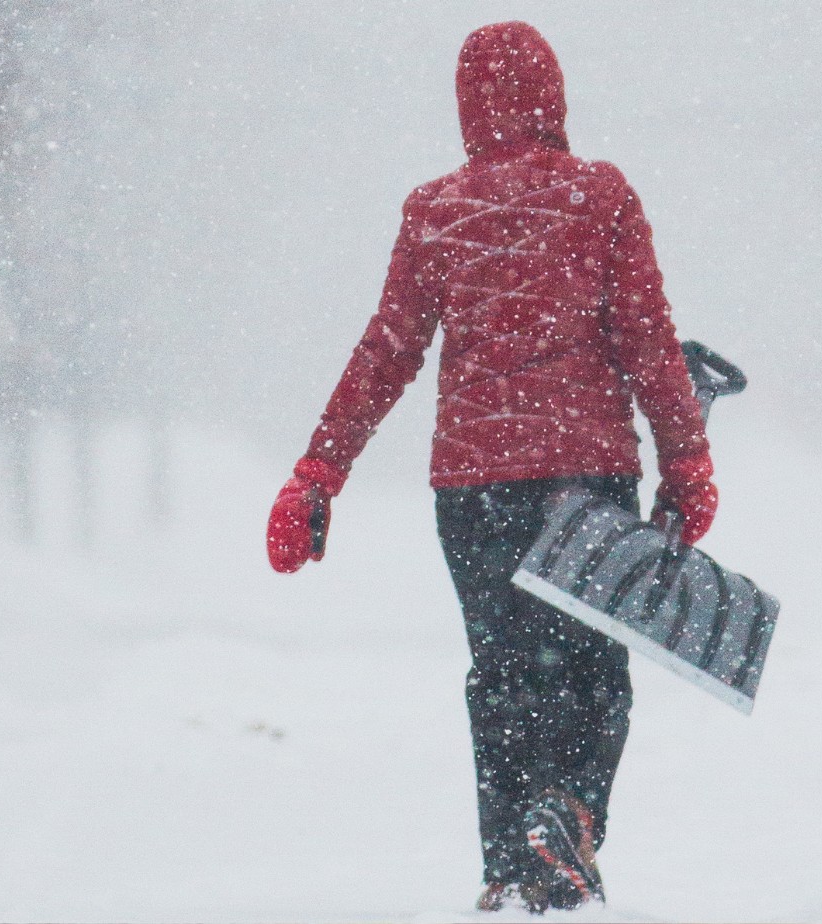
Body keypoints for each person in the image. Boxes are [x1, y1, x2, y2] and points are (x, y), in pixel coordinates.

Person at [266, 21, 717, 914]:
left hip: (471, 493)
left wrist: (320, 471)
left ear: (467, 105)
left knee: (503, 673)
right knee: (592, 671)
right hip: (582, 483)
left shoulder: (435, 210)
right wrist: (687, 459)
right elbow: (648, 346)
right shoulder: (602, 197)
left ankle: (510, 869)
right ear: (554, 96)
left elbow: (387, 352)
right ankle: (570, 814)